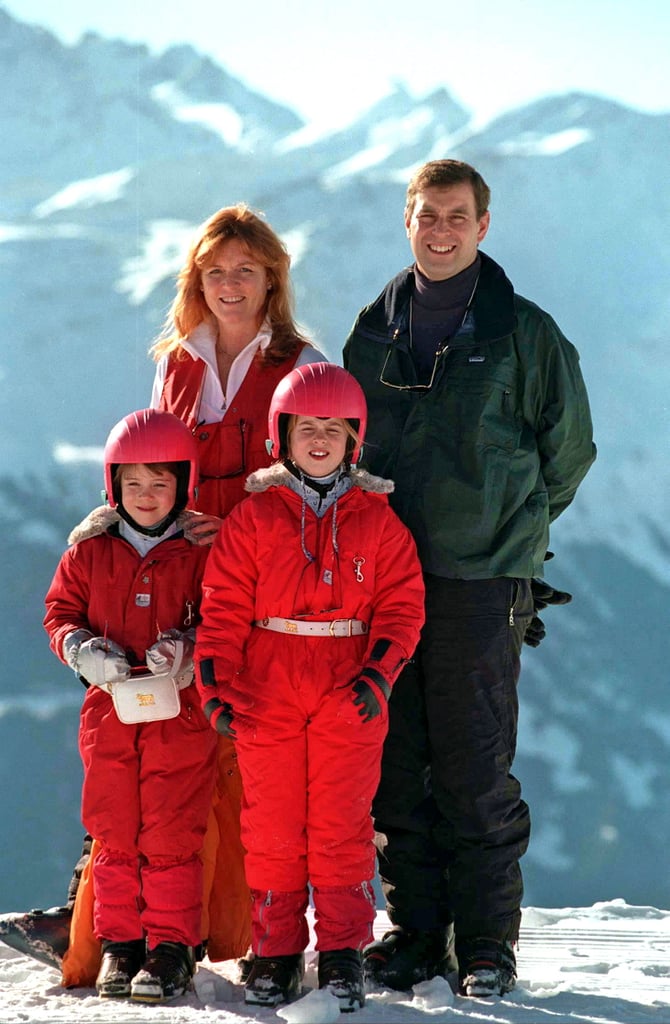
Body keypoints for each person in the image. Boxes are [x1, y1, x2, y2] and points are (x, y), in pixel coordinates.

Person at [0, 203, 327, 983]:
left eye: (246, 269)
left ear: (272, 276)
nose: (230, 284)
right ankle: (106, 920)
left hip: (261, 572)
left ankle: (226, 926)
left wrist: (250, 521)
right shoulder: (178, 358)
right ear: (196, 281)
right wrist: (114, 521)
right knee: (141, 737)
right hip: (175, 569)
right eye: (215, 272)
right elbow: (155, 456)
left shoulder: (301, 358)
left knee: (230, 754)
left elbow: (321, 461)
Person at [343, 159, 596, 998]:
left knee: (474, 763)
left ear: (484, 226)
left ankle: (487, 944)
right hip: (381, 578)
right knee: (392, 762)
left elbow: (568, 454)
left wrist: (513, 531)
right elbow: (346, 447)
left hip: (480, 581)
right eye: (427, 215)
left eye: (457, 216)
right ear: (406, 221)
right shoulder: (371, 333)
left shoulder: (526, 334)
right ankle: (416, 933)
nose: (441, 230)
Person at [194, 362, 426, 1011]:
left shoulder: (379, 522)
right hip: (267, 682)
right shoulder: (254, 518)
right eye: (306, 428)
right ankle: (273, 952)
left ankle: (344, 951)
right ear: (282, 436)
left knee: (341, 825)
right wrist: (217, 687)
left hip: (347, 683)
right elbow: (222, 608)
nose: (319, 440)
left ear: (355, 439)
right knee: (270, 825)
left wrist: (380, 675)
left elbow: (404, 607)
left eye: (333, 428)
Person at [43, 408, 218, 1002]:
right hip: (111, 714)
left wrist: (192, 649)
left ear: (182, 485)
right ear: (113, 485)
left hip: (180, 715)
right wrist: (79, 648)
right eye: (133, 483)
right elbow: (59, 611)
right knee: (114, 830)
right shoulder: (90, 551)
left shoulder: (200, 552)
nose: (146, 496)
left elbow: (226, 616)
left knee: (171, 830)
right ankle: (121, 945)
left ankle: (170, 948)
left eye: (160, 482)